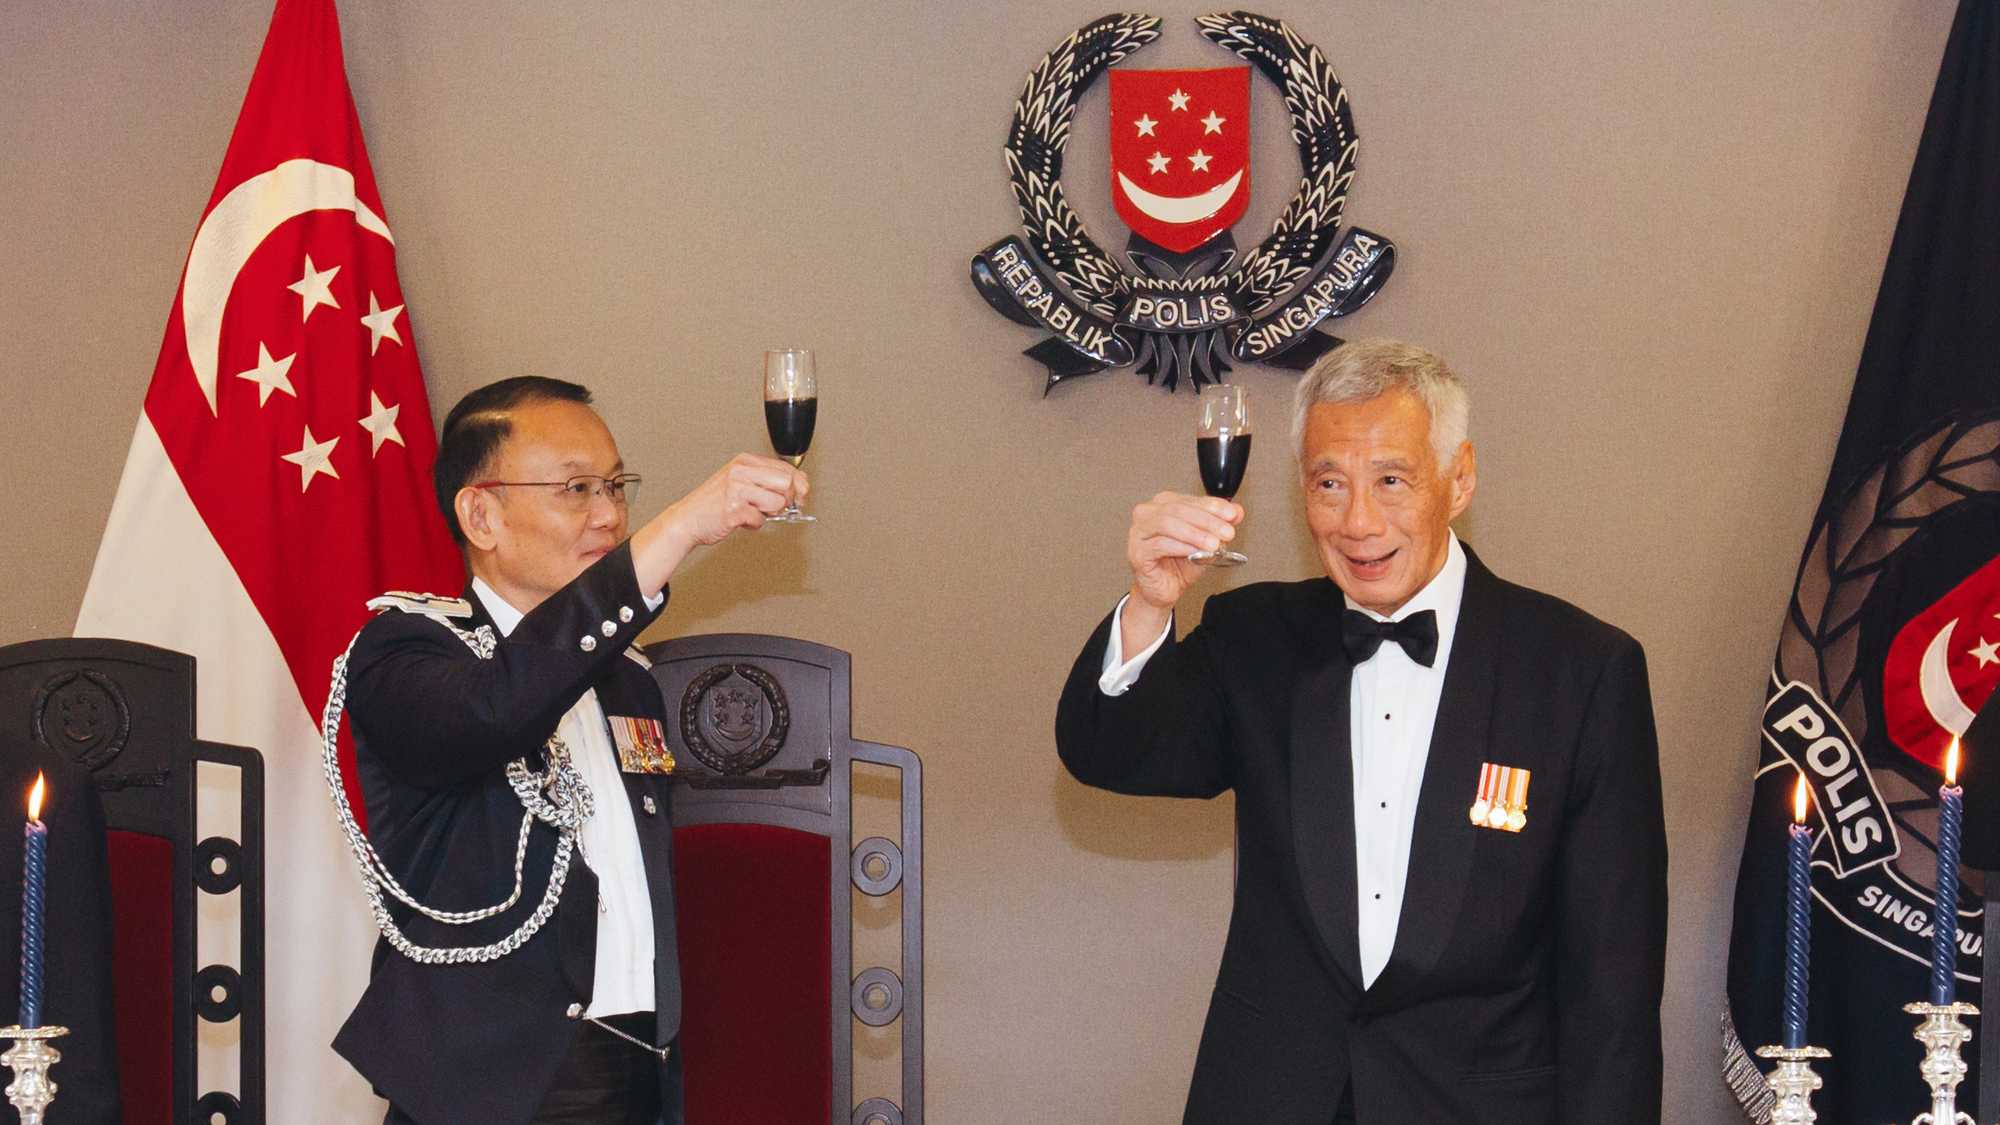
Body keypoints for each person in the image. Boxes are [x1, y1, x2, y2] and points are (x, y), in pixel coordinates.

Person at [1055, 339, 1667, 1123]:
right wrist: (1149, 603)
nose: (1358, 521)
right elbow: (1108, 748)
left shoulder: (1581, 672)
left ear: (1460, 477)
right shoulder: (1254, 638)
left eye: (1391, 480)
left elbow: (1612, 990)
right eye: (1329, 483)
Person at [330, 376, 808, 1125]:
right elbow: (497, 709)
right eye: (577, 488)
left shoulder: (631, 682)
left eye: (617, 486)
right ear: (481, 514)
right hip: (488, 1084)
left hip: (635, 1069)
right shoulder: (405, 651)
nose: (611, 514)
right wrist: (680, 529)